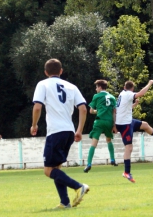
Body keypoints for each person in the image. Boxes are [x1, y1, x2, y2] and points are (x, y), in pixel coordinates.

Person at [30, 58, 89, 209]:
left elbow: (37, 107)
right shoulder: (71, 86)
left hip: (55, 131)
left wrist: (34, 124)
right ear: (61, 71)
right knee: (56, 168)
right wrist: (79, 130)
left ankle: (78, 186)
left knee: (48, 170)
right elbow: (83, 108)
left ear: (45, 72)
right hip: (69, 131)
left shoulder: (42, 84)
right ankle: (65, 202)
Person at [115, 80, 153, 183]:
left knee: (145, 125)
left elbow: (122, 110)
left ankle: (127, 172)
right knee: (129, 147)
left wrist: (134, 105)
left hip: (128, 121)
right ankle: (126, 172)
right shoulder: (128, 94)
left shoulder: (122, 94)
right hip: (124, 125)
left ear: (124, 86)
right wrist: (150, 83)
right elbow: (141, 93)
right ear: (132, 89)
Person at [84, 80, 118, 173]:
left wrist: (97, 111)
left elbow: (91, 111)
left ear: (99, 87)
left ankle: (89, 164)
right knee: (108, 140)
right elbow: (114, 112)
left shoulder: (97, 96)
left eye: (96, 87)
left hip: (99, 121)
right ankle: (112, 160)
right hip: (109, 121)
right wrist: (114, 125)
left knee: (94, 143)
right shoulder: (112, 97)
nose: (95, 89)